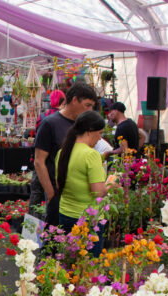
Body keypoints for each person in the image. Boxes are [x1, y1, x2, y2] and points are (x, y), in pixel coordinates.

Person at [30, 82, 97, 226]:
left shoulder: (82, 126)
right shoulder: (50, 124)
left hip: (78, 197)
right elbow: (39, 161)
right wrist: (51, 193)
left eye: (92, 106)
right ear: (74, 100)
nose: (90, 110)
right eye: (87, 105)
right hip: (57, 193)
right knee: (55, 233)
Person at [55, 110, 119, 256]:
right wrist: (112, 184)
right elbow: (98, 191)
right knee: (89, 264)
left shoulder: (63, 152)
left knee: (70, 261)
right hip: (88, 219)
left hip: (65, 213)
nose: (100, 138)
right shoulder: (91, 155)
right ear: (90, 131)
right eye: (99, 133)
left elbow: (59, 185)